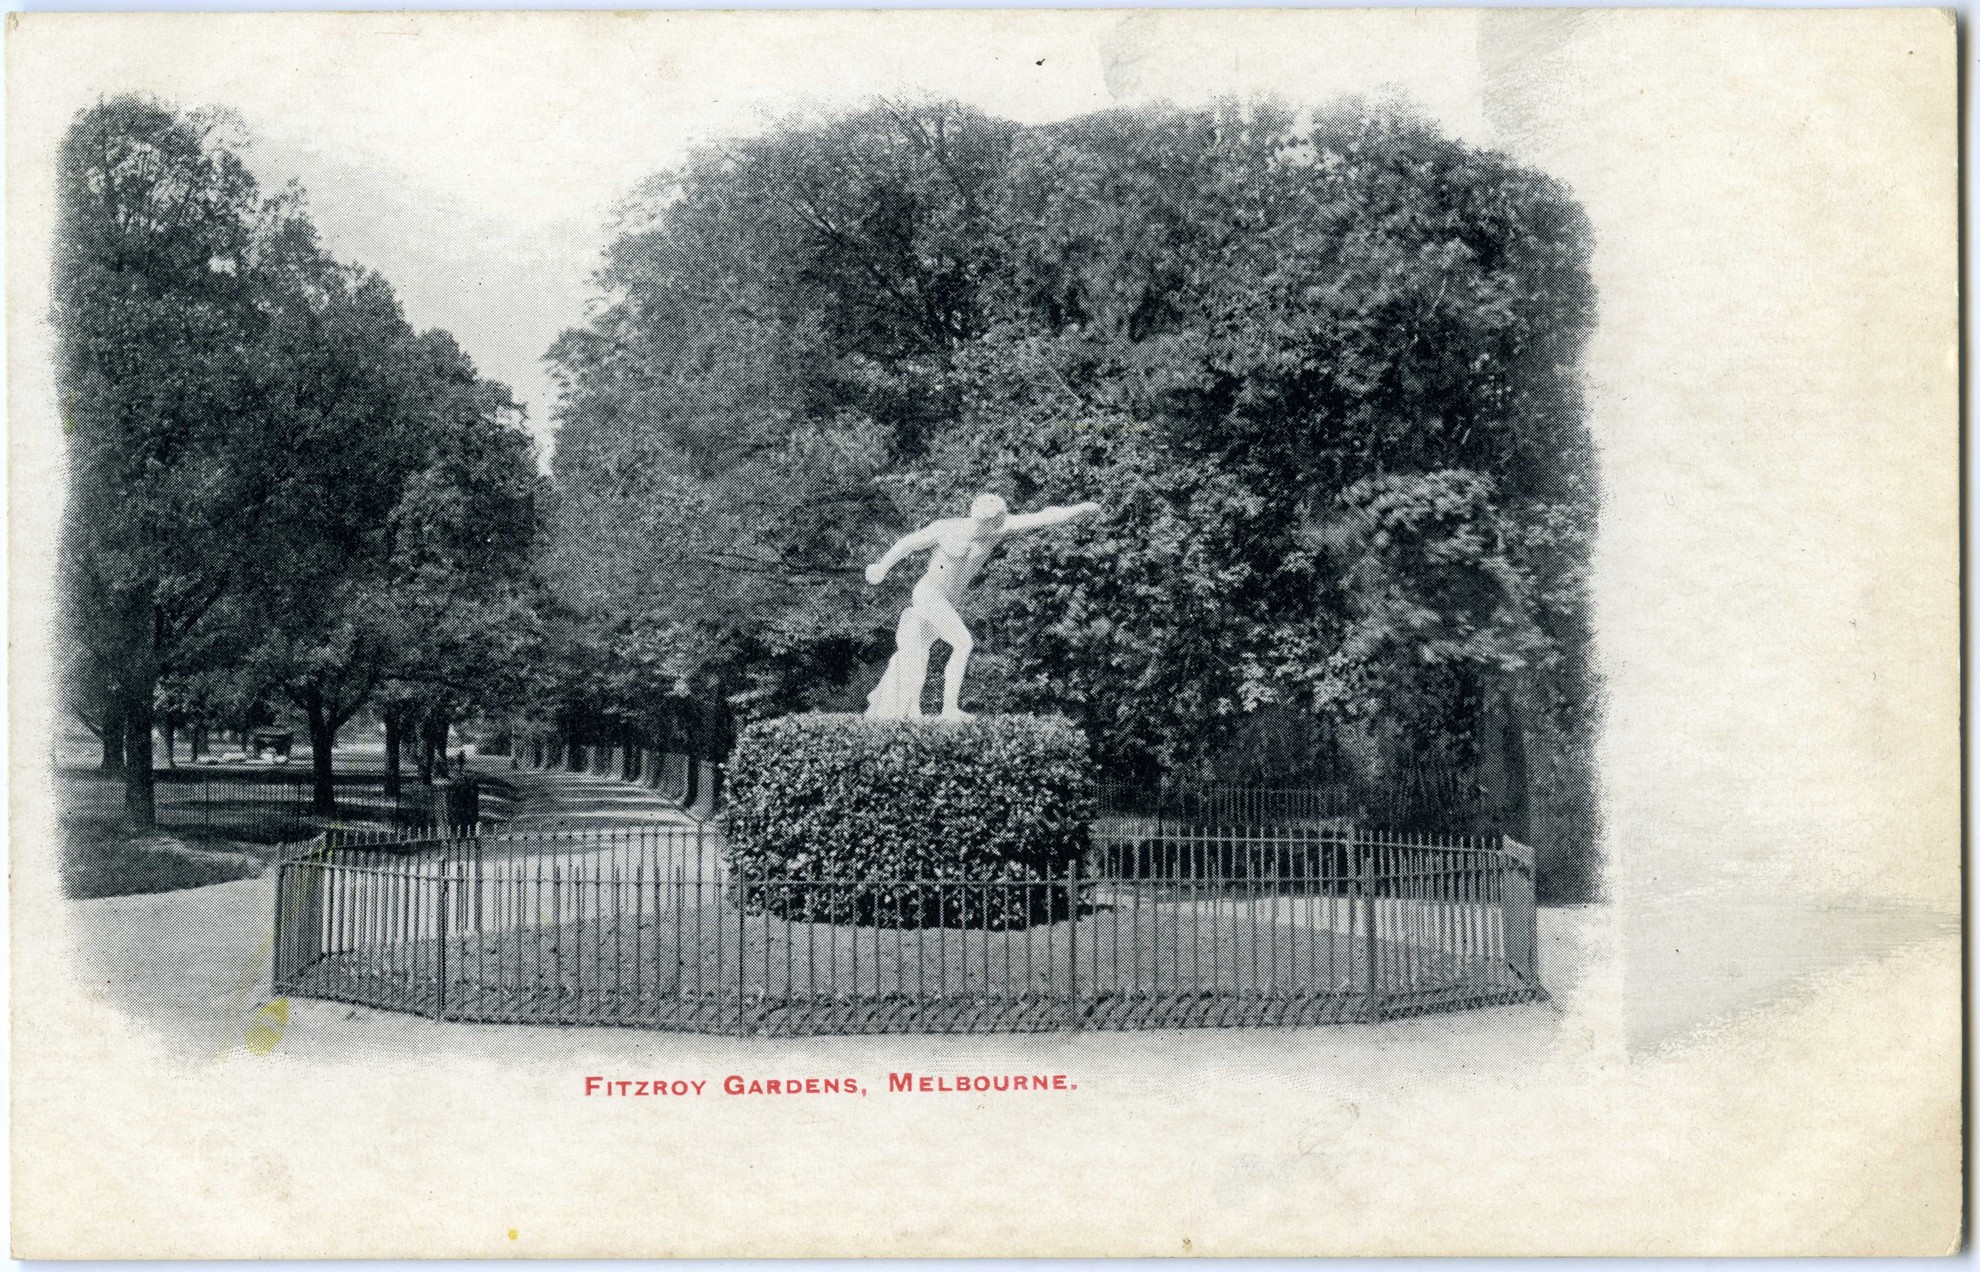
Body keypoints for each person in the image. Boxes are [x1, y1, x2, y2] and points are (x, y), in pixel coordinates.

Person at [864, 492, 1101, 720]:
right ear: (979, 519)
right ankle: (949, 710)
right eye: (990, 525)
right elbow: (909, 543)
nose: (994, 529)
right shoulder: (948, 528)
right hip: (929, 595)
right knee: (963, 643)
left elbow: (1044, 516)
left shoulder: (999, 528)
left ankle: (901, 707)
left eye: (997, 524)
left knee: (915, 650)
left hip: (947, 602)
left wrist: (1079, 510)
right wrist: (882, 567)